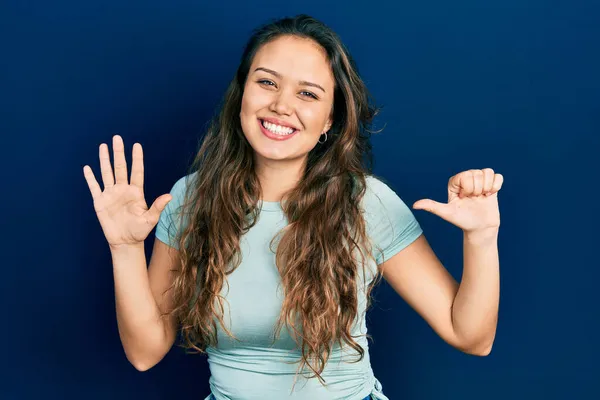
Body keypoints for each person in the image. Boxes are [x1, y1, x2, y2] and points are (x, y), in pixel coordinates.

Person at [83, 14, 504, 400]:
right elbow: (144, 352)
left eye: (308, 93)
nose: (282, 105)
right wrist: (124, 249)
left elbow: (470, 336)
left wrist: (482, 237)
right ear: (241, 95)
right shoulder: (191, 199)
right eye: (266, 82)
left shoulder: (366, 203)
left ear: (329, 121)